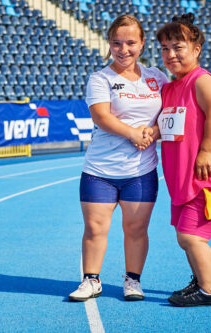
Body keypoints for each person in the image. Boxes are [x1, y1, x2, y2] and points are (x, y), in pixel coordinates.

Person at [68, 14, 168, 302]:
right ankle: (91, 280)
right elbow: (101, 116)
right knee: (95, 229)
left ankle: (133, 281)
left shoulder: (156, 78)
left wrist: (154, 132)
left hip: (141, 172)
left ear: (143, 43)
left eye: (130, 43)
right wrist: (132, 134)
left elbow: (169, 117)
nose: (123, 50)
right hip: (100, 170)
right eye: (116, 43)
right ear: (109, 44)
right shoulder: (100, 78)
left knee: (136, 229)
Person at [153, 13, 211, 307]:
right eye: (165, 48)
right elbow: (169, 124)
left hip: (205, 184)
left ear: (196, 49)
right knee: (184, 238)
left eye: (178, 47)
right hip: (181, 181)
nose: (170, 54)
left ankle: (208, 292)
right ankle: (199, 280)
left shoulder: (202, 81)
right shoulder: (171, 87)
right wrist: (151, 131)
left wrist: (207, 150)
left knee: (191, 237)